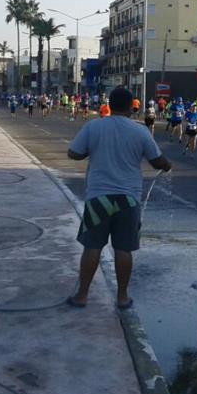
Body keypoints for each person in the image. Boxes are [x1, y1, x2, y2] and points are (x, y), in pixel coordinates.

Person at [65, 87, 172, 309]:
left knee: (92, 247)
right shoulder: (141, 131)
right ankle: (122, 297)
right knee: (124, 249)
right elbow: (157, 161)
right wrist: (166, 165)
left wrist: (92, 150)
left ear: (110, 105)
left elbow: (73, 153)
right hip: (128, 200)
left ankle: (82, 296)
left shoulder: (94, 126)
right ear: (131, 107)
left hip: (98, 198)